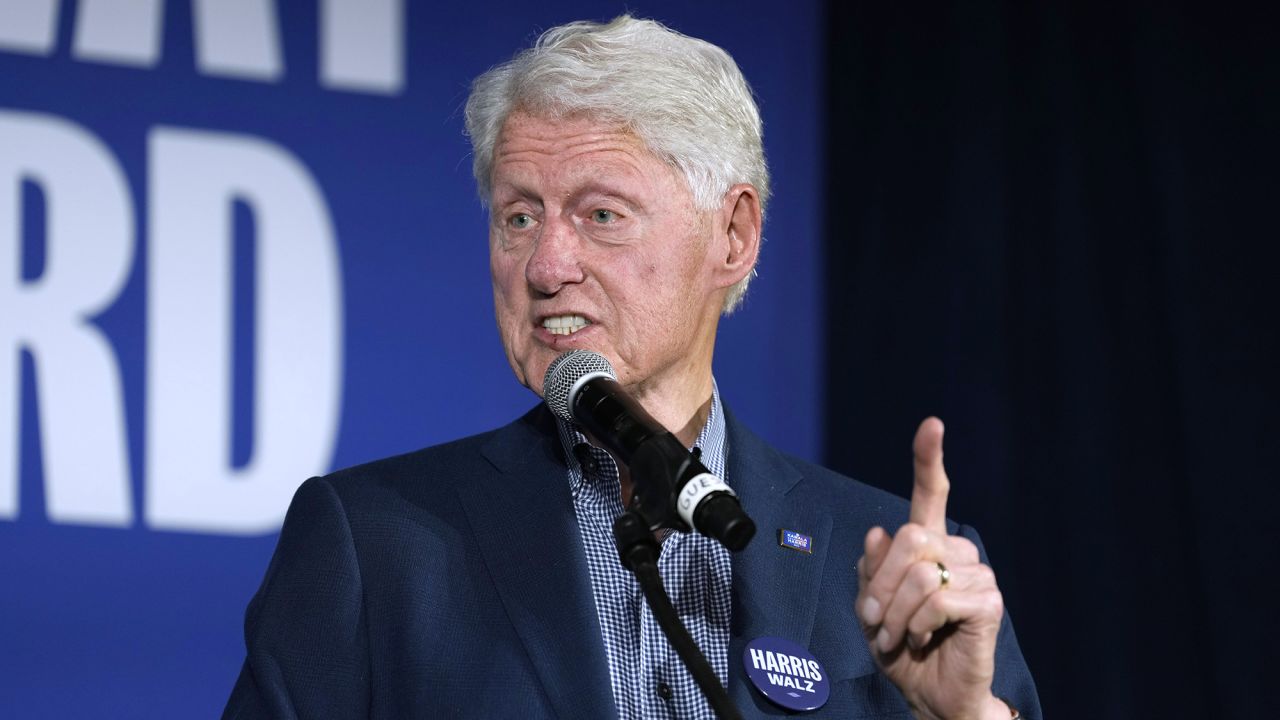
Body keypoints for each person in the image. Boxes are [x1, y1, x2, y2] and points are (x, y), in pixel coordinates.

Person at [223, 15, 1040, 720]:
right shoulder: (375, 546)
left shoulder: (907, 576)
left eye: (601, 214)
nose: (546, 265)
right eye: (518, 216)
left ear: (733, 238)